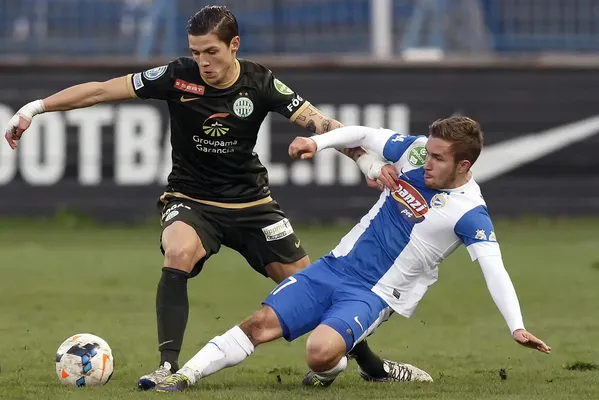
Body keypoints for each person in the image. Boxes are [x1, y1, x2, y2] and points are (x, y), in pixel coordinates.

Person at [4, 4, 411, 391]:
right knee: (178, 250)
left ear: (234, 46)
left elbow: (319, 122)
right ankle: (167, 367)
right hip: (191, 199)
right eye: (196, 52)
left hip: (253, 205)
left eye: (211, 52)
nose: (203, 61)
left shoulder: (260, 82)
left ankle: (373, 367)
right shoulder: (177, 76)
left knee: (313, 289)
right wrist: (35, 108)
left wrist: (365, 162)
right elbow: (101, 90)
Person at [151, 116, 552, 393]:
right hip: (334, 267)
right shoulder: (414, 153)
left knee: (319, 354)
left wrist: (515, 325)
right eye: (427, 152)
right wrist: (317, 142)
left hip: (374, 294)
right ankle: (183, 377)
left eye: (438, 158)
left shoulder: (470, 212)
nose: (425, 162)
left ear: (463, 164)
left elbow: (493, 267)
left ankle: (342, 366)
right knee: (259, 324)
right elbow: (359, 133)